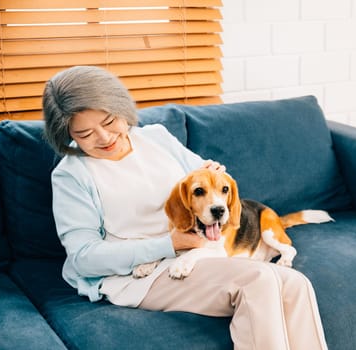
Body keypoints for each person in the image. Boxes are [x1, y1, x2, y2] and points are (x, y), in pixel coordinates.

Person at [43, 65, 328, 350]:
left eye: (108, 122)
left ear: (121, 107)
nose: (104, 138)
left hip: (194, 252)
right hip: (137, 274)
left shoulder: (156, 138)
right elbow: (83, 258)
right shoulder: (72, 175)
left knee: (295, 283)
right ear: (68, 135)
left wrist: (212, 171)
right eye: (84, 133)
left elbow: (201, 176)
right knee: (259, 280)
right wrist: (169, 245)